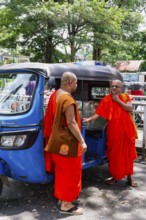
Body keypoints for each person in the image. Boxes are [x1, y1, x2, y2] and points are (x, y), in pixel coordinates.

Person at [44, 72, 87, 215]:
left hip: (56, 141)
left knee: (61, 172)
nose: (76, 86)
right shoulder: (67, 99)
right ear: (70, 82)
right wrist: (82, 141)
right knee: (70, 172)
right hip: (68, 143)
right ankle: (66, 205)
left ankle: (62, 199)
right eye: (75, 83)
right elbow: (71, 122)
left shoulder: (55, 95)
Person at [83, 79, 138, 187]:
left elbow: (130, 109)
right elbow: (98, 114)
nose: (113, 88)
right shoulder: (107, 99)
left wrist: (117, 100)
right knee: (113, 156)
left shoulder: (125, 97)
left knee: (128, 155)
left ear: (121, 88)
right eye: (112, 86)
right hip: (113, 131)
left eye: (116, 86)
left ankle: (130, 177)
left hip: (126, 131)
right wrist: (88, 119)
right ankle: (115, 176)